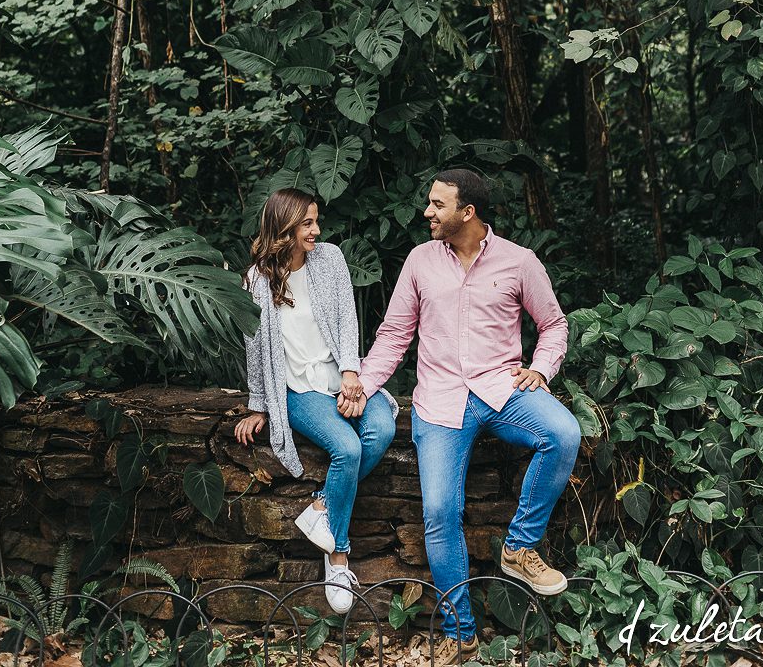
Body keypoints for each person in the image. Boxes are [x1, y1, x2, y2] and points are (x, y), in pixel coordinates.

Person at [354, 168, 581, 664]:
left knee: (563, 432)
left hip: (503, 390)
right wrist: (363, 385)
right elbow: (395, 335)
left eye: (438, 205)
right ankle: (461, 632)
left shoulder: (519, 262)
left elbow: (554, 325)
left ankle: (519, 548)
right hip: (439, 399)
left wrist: (541, 369)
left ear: (467, 212)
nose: (427, 212)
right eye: (429, 203)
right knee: (439, 512)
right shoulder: (419, 261)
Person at [233, 187, 397, 614]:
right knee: (347, 447)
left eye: (315, 221)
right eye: (307, 223)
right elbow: (255, 346)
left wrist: (350, 375)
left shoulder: (330, 259)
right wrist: (258, 405)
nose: (316, 230)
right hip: (298, 389)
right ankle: (338, 556)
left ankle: (322, 506)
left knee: (381, 428)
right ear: (284, 227)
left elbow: (347, 318)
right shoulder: (256, 280)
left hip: (339, 374)